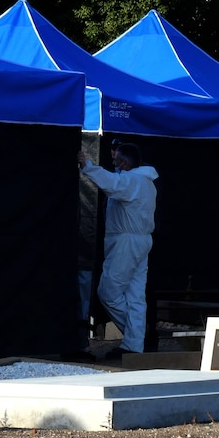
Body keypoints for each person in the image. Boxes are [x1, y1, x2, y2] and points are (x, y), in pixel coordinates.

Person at [77, 142, 158, 358]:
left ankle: (135, 336)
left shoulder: (133, 181)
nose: (114, 164)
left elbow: (112, 183)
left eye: (116, 161)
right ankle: (135, 344)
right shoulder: (145, 181)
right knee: (135, 295)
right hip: (140, 241)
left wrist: (88, 166)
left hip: (127, 242)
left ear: (124, 163)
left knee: (108, 292)